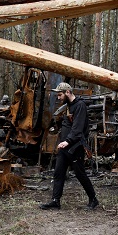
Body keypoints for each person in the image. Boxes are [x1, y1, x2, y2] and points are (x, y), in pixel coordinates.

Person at [40, 82, 99, 210]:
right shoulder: (67, 106)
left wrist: (68, 141)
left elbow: (78, 129)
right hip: (64, 146)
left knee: (80, 174)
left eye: (60, 95)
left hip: (75, 146)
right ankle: (55, 201)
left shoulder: (80, 106)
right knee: (58, 172)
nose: (58, 97)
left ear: (68, 92)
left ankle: (93, 199)